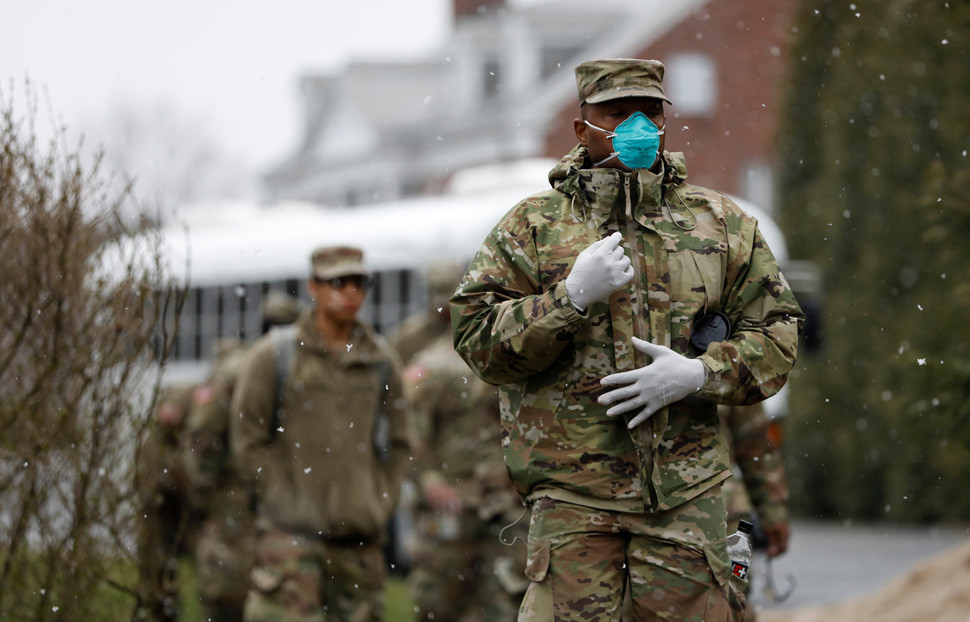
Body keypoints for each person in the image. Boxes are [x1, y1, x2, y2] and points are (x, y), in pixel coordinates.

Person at [450, 58, 803, 621]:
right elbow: (476, 340)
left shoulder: (720, 225)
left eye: (650, 113)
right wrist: (567, 299)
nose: (637, 127)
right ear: (582, 126)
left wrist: (699, 374)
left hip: (686, 502)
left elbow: (780, 332)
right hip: (573, 501)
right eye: (618, 114)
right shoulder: (533, 227)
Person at [230, 246, 412, 622]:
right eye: (338, 282)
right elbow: (248, 436)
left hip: (358, 542)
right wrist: (282, 498)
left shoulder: (380, 360)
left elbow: (401, 441)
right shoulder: (275, 355)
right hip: (291, 540)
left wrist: (379, 500)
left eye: (359, 283)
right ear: (314, 286)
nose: (350, 292)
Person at [400, 282, 528, 622]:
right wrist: (429, 480)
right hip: (454, 501)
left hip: (503, 502)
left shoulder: (508, 356)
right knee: (440, 602)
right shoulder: (433, 365)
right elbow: (409, 434)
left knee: (504, 598)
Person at [183, 291, 301, 622]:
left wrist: (205, 488)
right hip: (249, 499)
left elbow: (201, 436)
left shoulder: (254, 370)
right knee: (239, 593)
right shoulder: (247, 371)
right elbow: (202, 436)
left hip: (257, 500)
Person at [136, 383, 202, 622]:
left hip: (183, 519)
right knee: (159, 587)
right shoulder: (157, 445)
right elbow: (152, 485)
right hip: (160, 520)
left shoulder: (188, 435)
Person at [719, 402, 791, 620]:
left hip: (723, 514)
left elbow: (755, 443)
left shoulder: (726, 371)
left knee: (729, 602)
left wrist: (772, 510)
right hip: (619, 514)